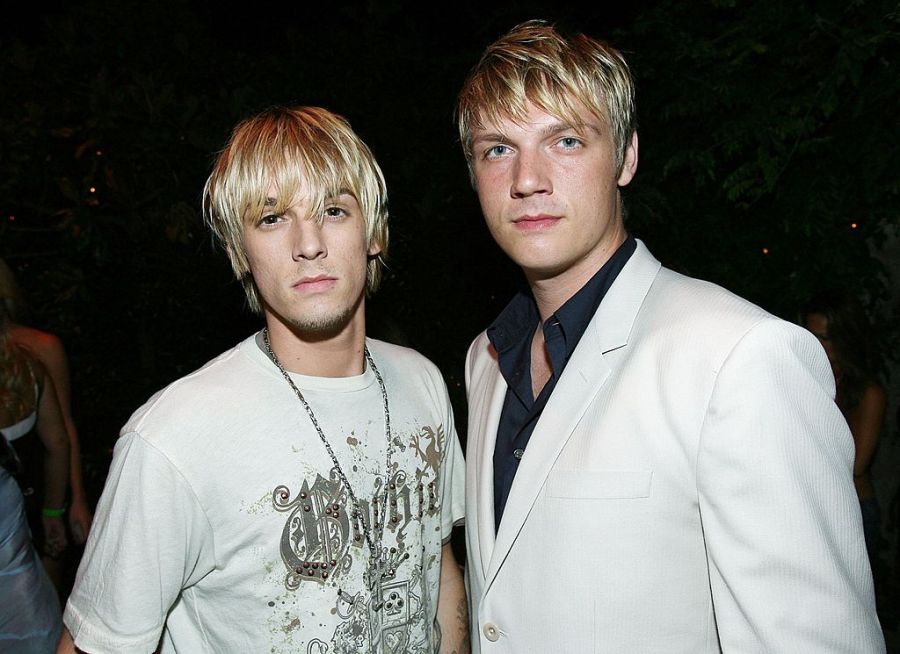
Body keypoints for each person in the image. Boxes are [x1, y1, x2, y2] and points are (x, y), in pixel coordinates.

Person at [456, 20, 883, 652]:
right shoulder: (485, 361)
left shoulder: (741, 356)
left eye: (566, 141)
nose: (527, 178)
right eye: (498, 149)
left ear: (626, 156)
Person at [58, 106, 467, 653]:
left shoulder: (423, 383)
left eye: (333, 210)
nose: (309, 243)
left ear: (374, 231)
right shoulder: (174, 438)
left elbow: (436, 567)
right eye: (272, 218)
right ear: (238, 251)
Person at [0, 258, 93, 594]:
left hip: (40, 498)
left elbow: (62, 430)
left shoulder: (40, 348)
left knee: (45, 604)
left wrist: (75, 500)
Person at [1, 294, 70, 651]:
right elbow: (57, 444)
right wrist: (54, 511)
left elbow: (61, 442)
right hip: (21, 565)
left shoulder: (32, 363)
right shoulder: (28, 368)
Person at [802, 290, 887, 565]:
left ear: (845, 338)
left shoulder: (868, 393)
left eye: (825, 338)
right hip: (814, 507)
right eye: (811, 335)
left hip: (853, 511)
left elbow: (855, 464)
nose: (817, 345)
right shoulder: (805, 377)